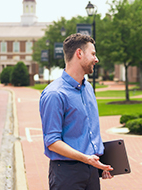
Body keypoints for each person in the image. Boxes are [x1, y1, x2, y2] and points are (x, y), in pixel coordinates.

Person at [39, 33, 113, 190]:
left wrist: (100, 162)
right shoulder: (55, 94)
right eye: (93, 54)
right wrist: (86, 158)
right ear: (79, 53)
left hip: (92, 170)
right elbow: (52, 142)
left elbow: (89, 133)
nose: (96, 59)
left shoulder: (88, 88)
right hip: (67, 174)